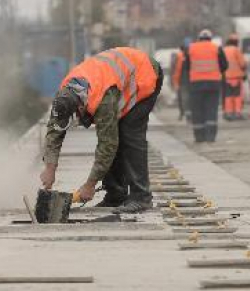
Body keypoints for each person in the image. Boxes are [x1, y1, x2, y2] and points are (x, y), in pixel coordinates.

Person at [40, 47, 163, 214]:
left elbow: (108, 145)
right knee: (115, 134)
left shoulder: (101, 99)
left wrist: (90, 185)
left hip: (144, 74)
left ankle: (141, 197)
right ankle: (115, 196)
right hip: (118, 79)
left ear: (82, 106)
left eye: (76, 115)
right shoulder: (64, 97)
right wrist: (50, 168)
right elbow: (54, 131)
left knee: (129, 136)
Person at [185, 28, 228, 142]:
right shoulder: (216, 48)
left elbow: (187, 67)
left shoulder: (191, 48)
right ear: (210, 38)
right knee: (211, 109)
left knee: (197, 110)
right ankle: (211, 136)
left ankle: (199, 136)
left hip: (196, 84)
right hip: (213, 84)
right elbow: (224, 65)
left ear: (199, 39)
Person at [222, 33, 247, 120]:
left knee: (228, 96)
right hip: (237, 77)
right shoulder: (236, 50)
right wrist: (244, 72)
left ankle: (228, 113)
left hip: (226, 77)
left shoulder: (223, 50)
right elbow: (243, 64)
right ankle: (237, 113)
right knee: (237, 96)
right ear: (236, 42)